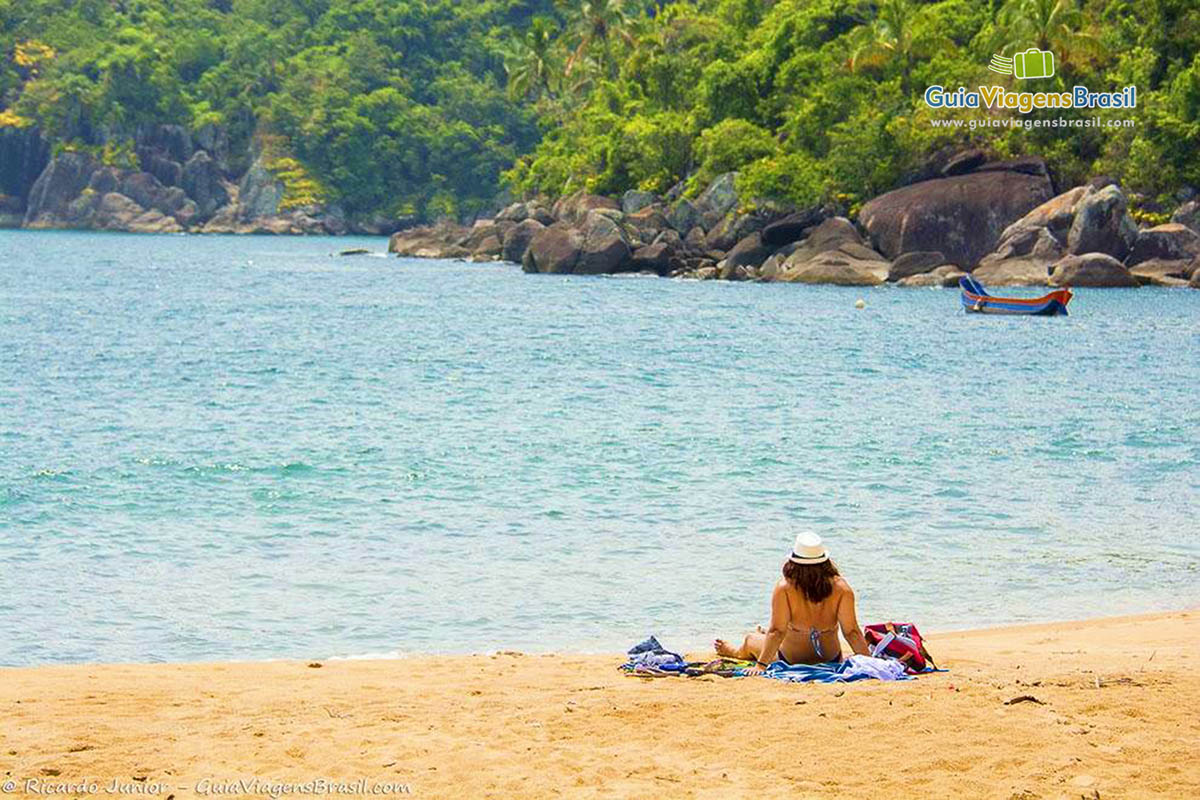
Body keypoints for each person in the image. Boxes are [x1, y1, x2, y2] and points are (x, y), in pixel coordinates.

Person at [714, 532, 870, 674]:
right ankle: (763, 634)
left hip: (790, 659)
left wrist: (760, 665)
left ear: (793, 561)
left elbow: (777, 631)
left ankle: (734, 651)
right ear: (825, 561)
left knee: (751, 639)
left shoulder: (784, 588)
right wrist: (870, 663)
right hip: (830, 659)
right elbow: (852, 632)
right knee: (771, 633)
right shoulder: (842, 588)